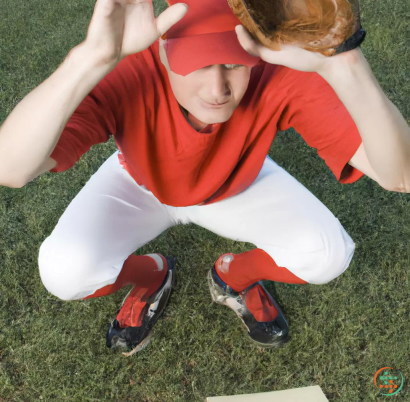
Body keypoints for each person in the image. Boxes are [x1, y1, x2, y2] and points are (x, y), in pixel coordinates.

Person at [1, 0, 409, 357]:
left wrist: (345, 63)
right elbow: (10, 168)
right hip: (140, 184)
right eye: (196, 63)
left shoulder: (275, 70)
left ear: (254, 53)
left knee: (328, 253)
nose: (217, 88)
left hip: (234, 185)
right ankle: (153, 275)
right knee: (64, 272)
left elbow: (400, 175)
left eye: (233, 64)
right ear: (162, 51)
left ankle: (233, 276)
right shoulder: (132, 68)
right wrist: (87, 61)